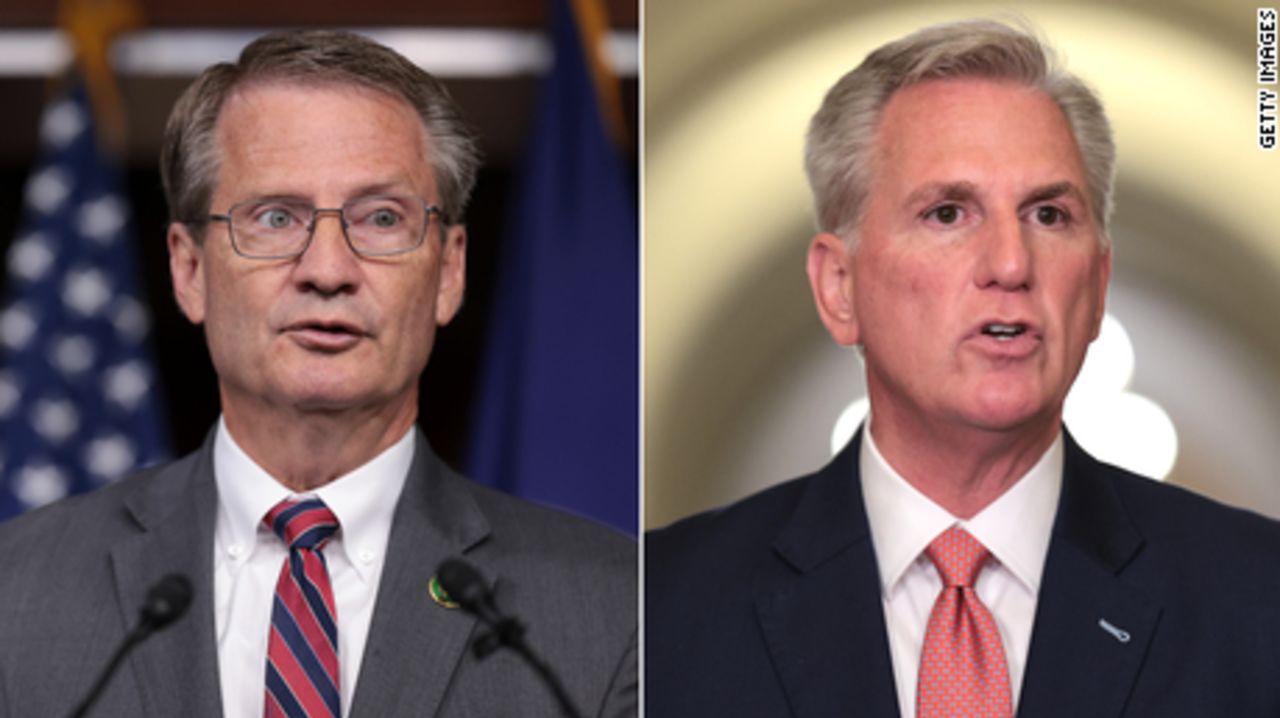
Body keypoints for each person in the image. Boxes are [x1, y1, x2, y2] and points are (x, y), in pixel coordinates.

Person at [646, 18, 1280, 718]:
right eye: (948, 213)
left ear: (1097, 287)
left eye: (1048, 214)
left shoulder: (1259, 599)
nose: (1011, 264)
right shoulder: (662, 607)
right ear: (839, 287)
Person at [0, 30, 635, 717]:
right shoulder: (18, 591)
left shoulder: (615, 609)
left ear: (449, 271)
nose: (327, 271)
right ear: (189, 270)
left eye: (382, 218)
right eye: (275, 218)